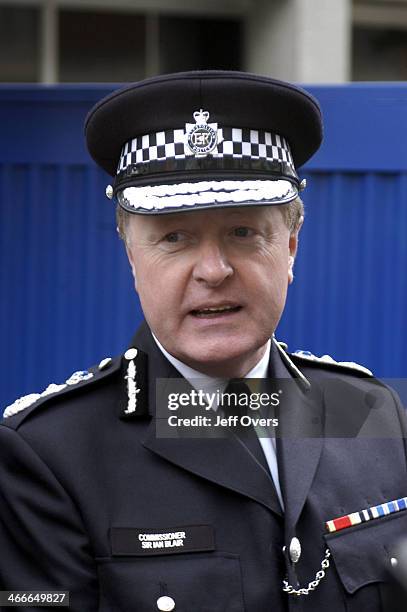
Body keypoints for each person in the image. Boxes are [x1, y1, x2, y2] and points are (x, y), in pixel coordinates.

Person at [0, 70, 406, 612]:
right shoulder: (46, 457)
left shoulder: (374, 414)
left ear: (290, 246)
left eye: (242, 232)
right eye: (174, 237)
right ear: (130, 255)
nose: (213, 271)